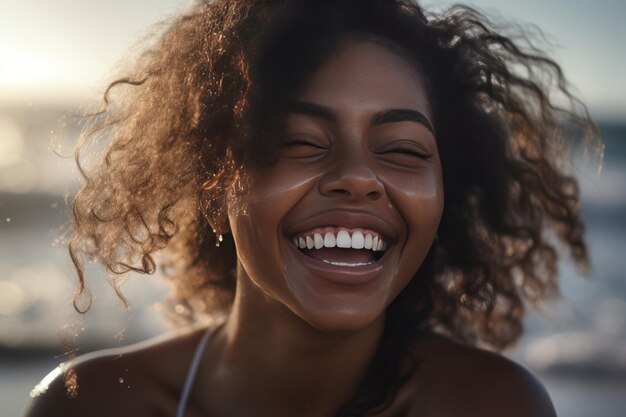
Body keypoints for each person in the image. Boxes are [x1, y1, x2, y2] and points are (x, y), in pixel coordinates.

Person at [25, 0, 598, 416]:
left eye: (402, 150)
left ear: (447, 190)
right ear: (213, 180)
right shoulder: (90, 405)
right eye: (299, 141)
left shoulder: (494, 406)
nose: (356, 177)